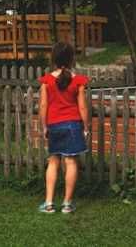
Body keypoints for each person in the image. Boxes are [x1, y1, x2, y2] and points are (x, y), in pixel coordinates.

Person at [37, 41, 90, 214]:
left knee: (53, 162)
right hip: (73, 125)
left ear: (53, 58)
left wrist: (44, 126)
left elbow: (43, 106)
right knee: (71, 161)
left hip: (54, 125)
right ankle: (67, 204)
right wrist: (86, 127)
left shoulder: (46, 81)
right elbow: (82, 107)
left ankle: (49, 203)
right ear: (71, 59)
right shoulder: (78, 81)